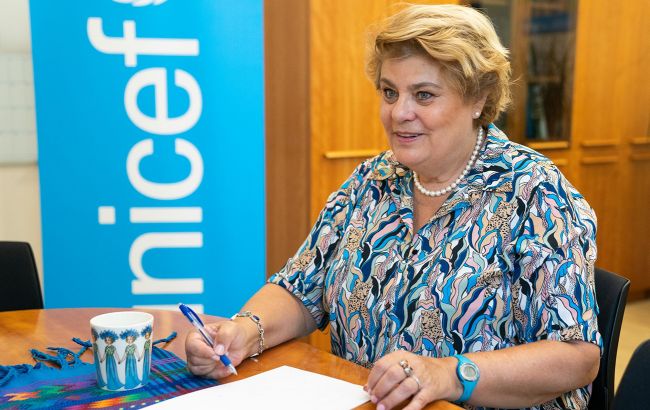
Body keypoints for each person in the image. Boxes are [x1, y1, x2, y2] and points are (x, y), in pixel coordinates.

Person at [185, 4, 600, 409]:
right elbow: (301, 287)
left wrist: (449, 375)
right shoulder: (371, 180)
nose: (399, 113)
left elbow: (577, 356)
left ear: (479, 97)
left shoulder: (535, 193)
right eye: (389, 92)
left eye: (424, 95)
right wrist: (244, 331)